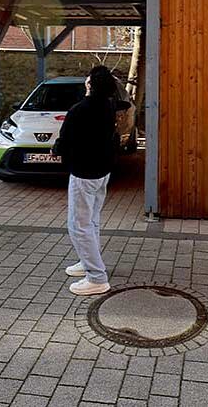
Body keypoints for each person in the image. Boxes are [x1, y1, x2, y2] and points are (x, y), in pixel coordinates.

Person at [55, 65, 123, 296]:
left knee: (78, 225)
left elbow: (64, 141)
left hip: (84, 174)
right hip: (102, 172)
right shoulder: (108, 105)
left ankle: (96, 277)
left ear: (90, 84)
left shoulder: (80, 109)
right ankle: (87, 262)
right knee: (91, 221)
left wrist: (57, 150)